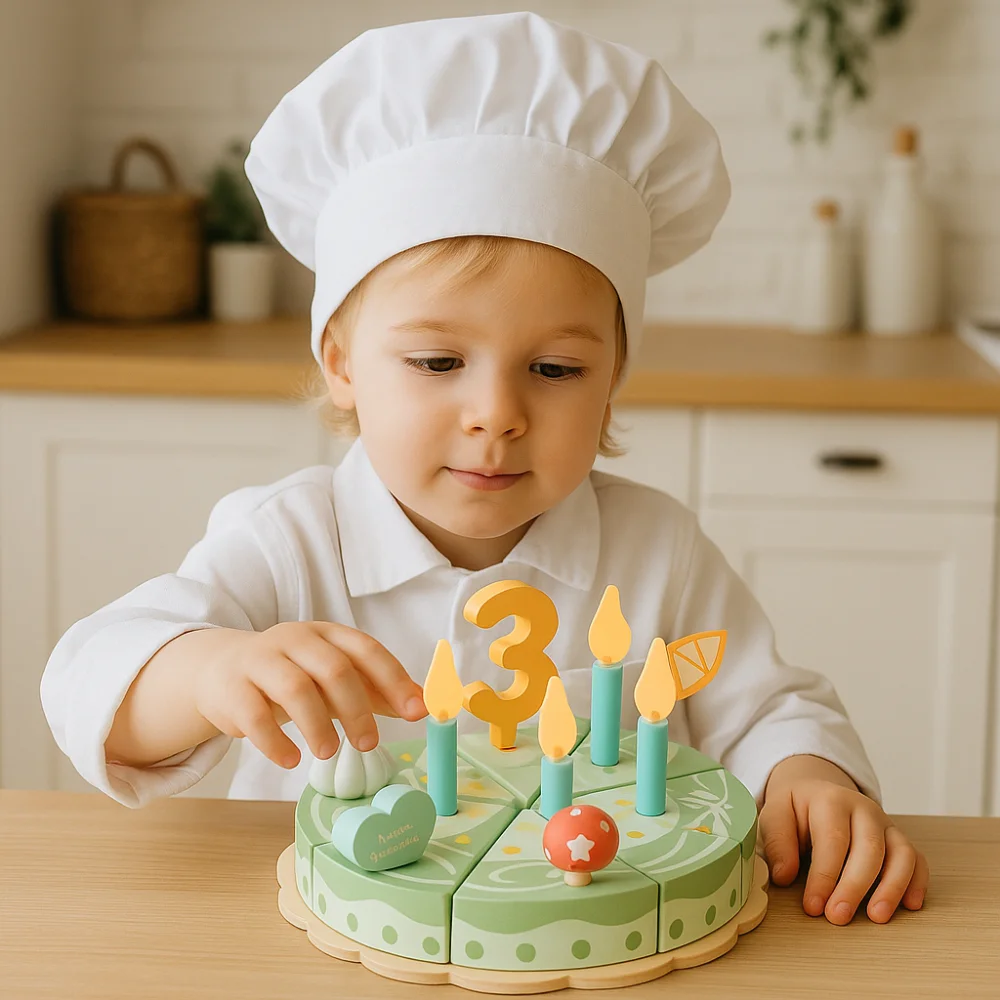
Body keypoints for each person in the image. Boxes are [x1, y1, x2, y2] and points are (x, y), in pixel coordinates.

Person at [40, 11, 927, 927]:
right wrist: (207, 669)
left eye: (556, 370)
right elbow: (89, 683)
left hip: (599, 952)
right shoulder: (288, 543)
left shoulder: (659, 549)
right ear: (342, 361)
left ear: (614, 379)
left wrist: (808, 773)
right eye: (436, 363)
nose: (497, 415)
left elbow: (768, 706)